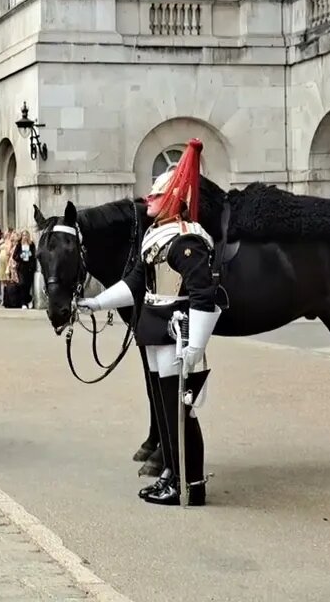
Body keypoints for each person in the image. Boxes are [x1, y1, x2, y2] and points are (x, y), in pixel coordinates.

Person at [75, 138, 220, 506]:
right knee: (163, 405)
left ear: (173, 201)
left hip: (177, 331)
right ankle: (172, 471)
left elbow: (204, 295)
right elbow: (136, 284)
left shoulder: (188, 241)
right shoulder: (155, 238)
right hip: (154, 328)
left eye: (156, 197)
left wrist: (197, 345)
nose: (148, 202)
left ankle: (191, 482)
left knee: (179, 411)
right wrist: (96, 302)